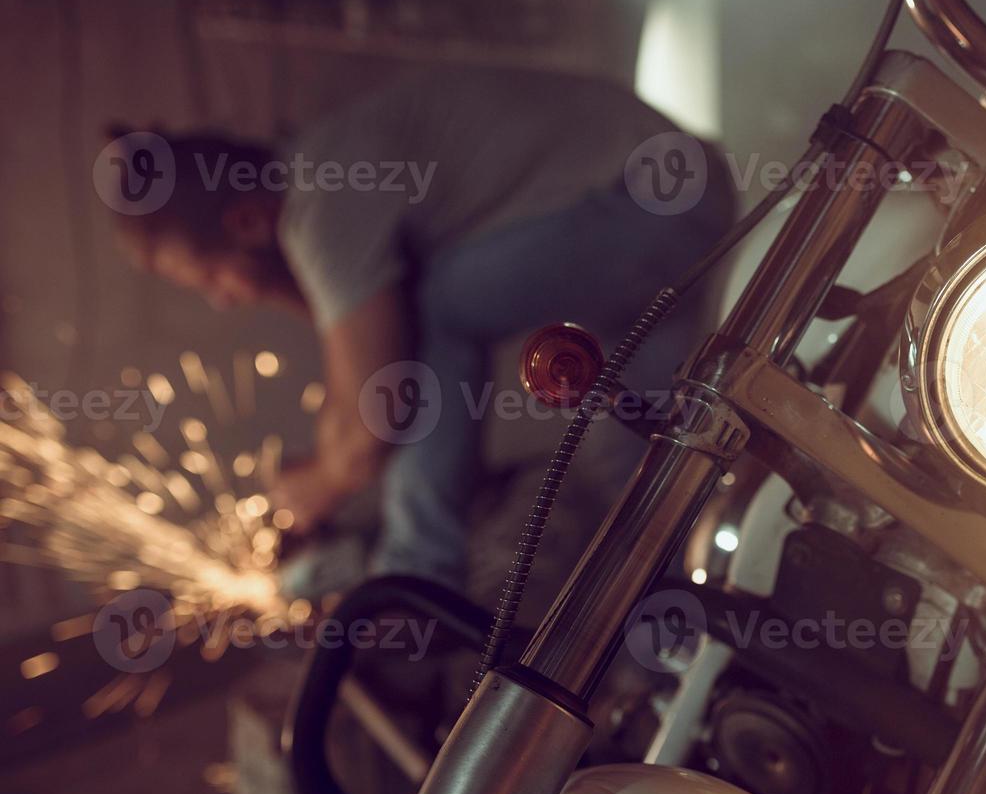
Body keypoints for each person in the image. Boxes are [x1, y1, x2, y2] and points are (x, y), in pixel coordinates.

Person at [104, 68, 735, 591]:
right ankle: (677, 659)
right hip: (673, 204)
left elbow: (377, 413)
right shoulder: (325, 183)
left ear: (245, 221)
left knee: (434, 312)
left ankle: (414, 586)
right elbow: (354, 376)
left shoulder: (322, 202)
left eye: (212, 278)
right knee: (639, 475)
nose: (222, 302)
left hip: (649, 202)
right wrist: (321, 465)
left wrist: (319, 486)